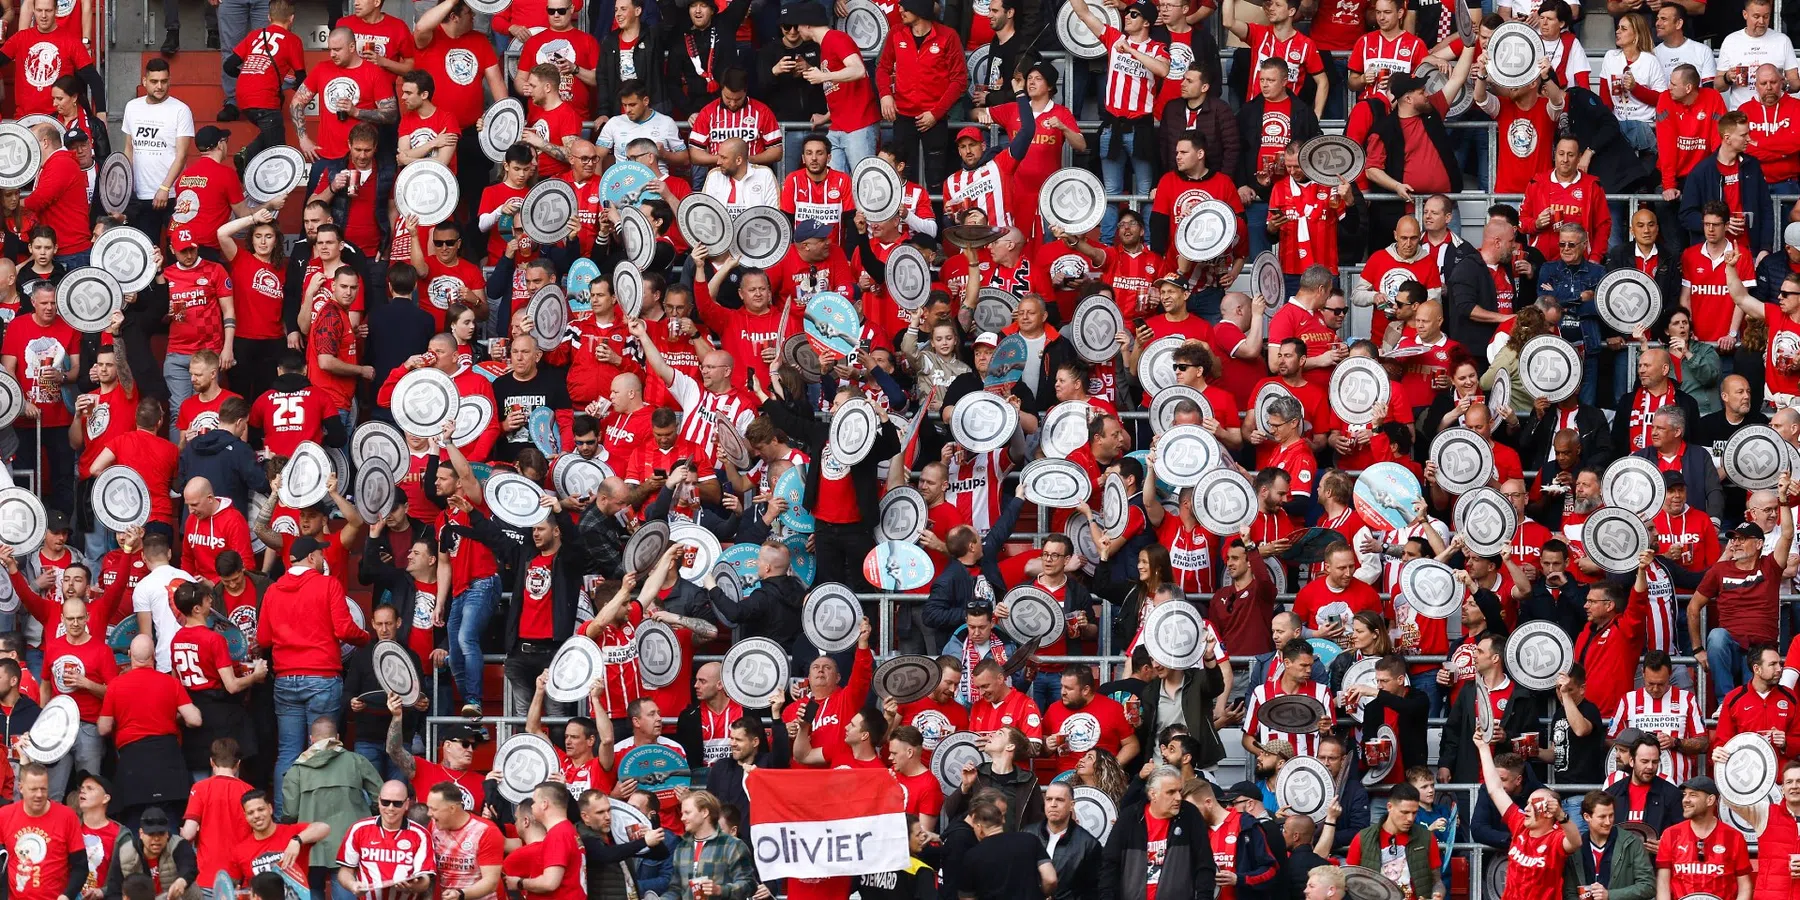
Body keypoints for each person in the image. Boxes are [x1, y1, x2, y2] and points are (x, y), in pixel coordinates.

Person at [1100, 766, 1214, 900]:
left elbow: (1204, 864)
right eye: (1171, 792)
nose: (1178, 797)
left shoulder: (1190, 815)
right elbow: (1109, 865)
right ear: (1153, 794)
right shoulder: (1129, 817)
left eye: (1180, 791)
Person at [1654, 776, 1753, 900]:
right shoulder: (1671, 834)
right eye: (1684, 795)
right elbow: (1663, 883)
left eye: (1693, 795)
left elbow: (1745, 886)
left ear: (1710, 800)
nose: (1685, 800)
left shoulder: (1734, 837)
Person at [336, 780, 434, 900]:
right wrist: (352, 885)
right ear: (379, 801)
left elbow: (425, 880)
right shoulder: (359, 829)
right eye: (385, 802)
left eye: (397, 803)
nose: (390, 808)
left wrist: (412, 886)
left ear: (407, 804)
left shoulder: (421, 835)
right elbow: (345, 871)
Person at [961, 794, 1059, 900]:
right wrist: (1041, 895)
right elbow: (1050, 879)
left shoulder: (972, 856)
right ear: (1002, 820)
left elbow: (967, 897)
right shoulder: (1030, 839)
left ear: (979, 827)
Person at [663, 790, 756, 900]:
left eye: (687, 813)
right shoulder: (682, 847)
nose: (682, 818)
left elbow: (749, 885)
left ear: (704, 812)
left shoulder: (732, 845)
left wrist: (720, 890)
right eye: (682, 813)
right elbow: (676, 888)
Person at [1569, 792, 1655, 900]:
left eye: (1611, 815)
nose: (1608, 822)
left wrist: (1610, 895)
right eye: (1602, 817)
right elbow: (1569, 892)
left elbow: (1648, 886)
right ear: (1587, 817)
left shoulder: (1631, 842)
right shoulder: (1576, 847)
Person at [104, 807, 199, 900]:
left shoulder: (179, 845)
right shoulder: (125, 851)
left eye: (161, 833)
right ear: (141, 833)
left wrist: (182, 881)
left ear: (167, 834)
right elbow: (114, 890)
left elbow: (189, 866)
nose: (156, 838)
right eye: (151, 834)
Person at [1607, 735, 1682, 837]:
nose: (1650, 767)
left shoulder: (1672, 794)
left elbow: (1682, 833)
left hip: (1657, 852)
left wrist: (1666, 846)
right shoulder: (1612, 793)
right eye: (1644, 761)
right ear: (1632, 761)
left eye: (1655, 762)